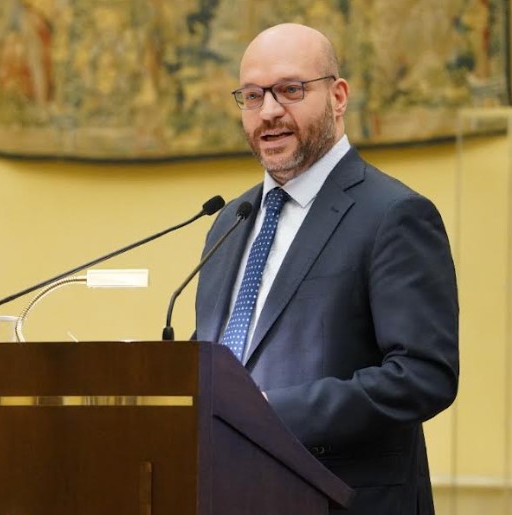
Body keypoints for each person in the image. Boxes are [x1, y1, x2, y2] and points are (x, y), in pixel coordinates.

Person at [193, 23, 458, 515]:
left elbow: (423, 376)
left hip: (345, 499)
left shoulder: (394, 214)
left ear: (338, 97)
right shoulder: (230, 221)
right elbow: (221, 357)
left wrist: (266, 412)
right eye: (252, 96)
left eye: (290, 90)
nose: (269, 112)